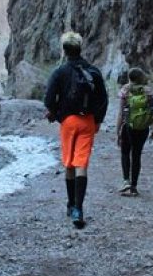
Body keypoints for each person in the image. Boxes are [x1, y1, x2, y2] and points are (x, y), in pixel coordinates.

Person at [44, 31, 108, 228]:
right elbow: (103, 99)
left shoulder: (59, 72)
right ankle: (78, 209)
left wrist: (57, 115)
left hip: (68, 122)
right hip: (87, 121)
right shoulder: (93, 71)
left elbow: (48, 99)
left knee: (69, 164)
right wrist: (97, 121)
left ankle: (70, 203)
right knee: (82, 164)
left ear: (64, 50)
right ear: (81, 48)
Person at [115, 67, 153, 197]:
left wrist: (117, 132)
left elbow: (121, 113)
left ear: (129, 78)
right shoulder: (148, 92)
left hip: (127, 126)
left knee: (125, 152)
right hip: (143, 128)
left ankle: (126, 181)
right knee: (137, 155)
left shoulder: (125, 91)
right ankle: (134, 186)